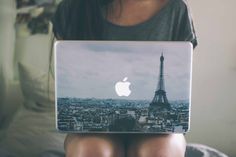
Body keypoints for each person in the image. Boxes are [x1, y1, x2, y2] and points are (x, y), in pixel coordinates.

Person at [51, 0, 198, 156]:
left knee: (159, 151)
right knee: (92, 150)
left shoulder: (175, 9)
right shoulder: (72, 8)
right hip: (90, 133)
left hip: (159, 133)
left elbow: (178, 74)